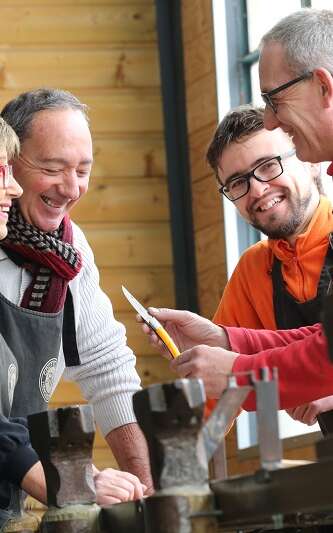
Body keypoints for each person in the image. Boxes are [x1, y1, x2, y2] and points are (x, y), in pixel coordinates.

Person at [139, 8, 333, 416]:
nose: (270, 117)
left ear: (323, 86)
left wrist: (238, 371)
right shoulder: (254, 269)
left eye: (274, 99)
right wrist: (226, 342)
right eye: (238, 183)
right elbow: (324, 342)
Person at [0, 88, 151, 525]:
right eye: (52, 169)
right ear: (12, 159)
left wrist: (147, 493)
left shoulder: (68, 251)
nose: (70, 188)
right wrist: (69, 485)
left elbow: (106, 366)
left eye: (83, 171)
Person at [208, 105, 333, 430]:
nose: (258, 189)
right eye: (237, 183)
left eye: (268, 166)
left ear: (312, 160)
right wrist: (169, 470)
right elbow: (217, 404)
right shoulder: (253, 271)